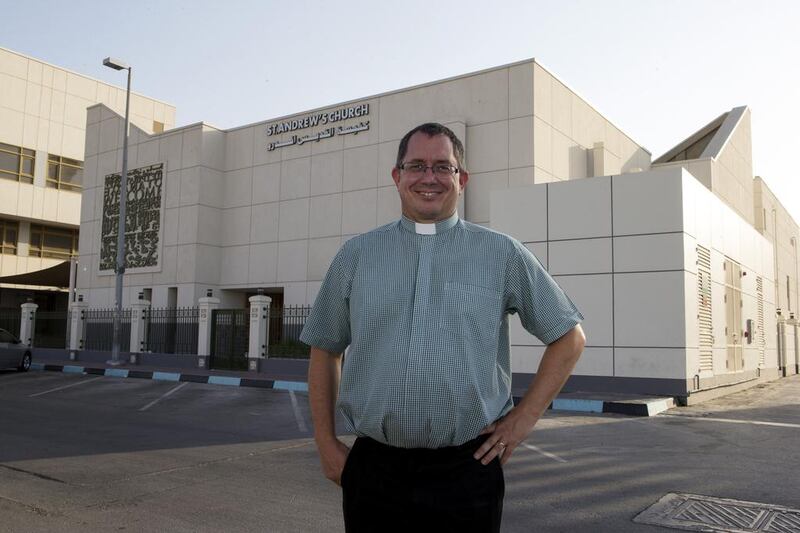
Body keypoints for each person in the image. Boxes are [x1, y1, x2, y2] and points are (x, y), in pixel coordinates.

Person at [300, 122, 585, 532]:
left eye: (442, 167)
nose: (428, 178)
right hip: (374, 470)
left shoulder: (501, 254)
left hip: (467, 473)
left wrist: (521, 421)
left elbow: (568, 337)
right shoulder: (357, 256)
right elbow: (324, 349)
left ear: (461, 179)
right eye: (416, 166)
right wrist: (326, 443)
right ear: (397, 176)